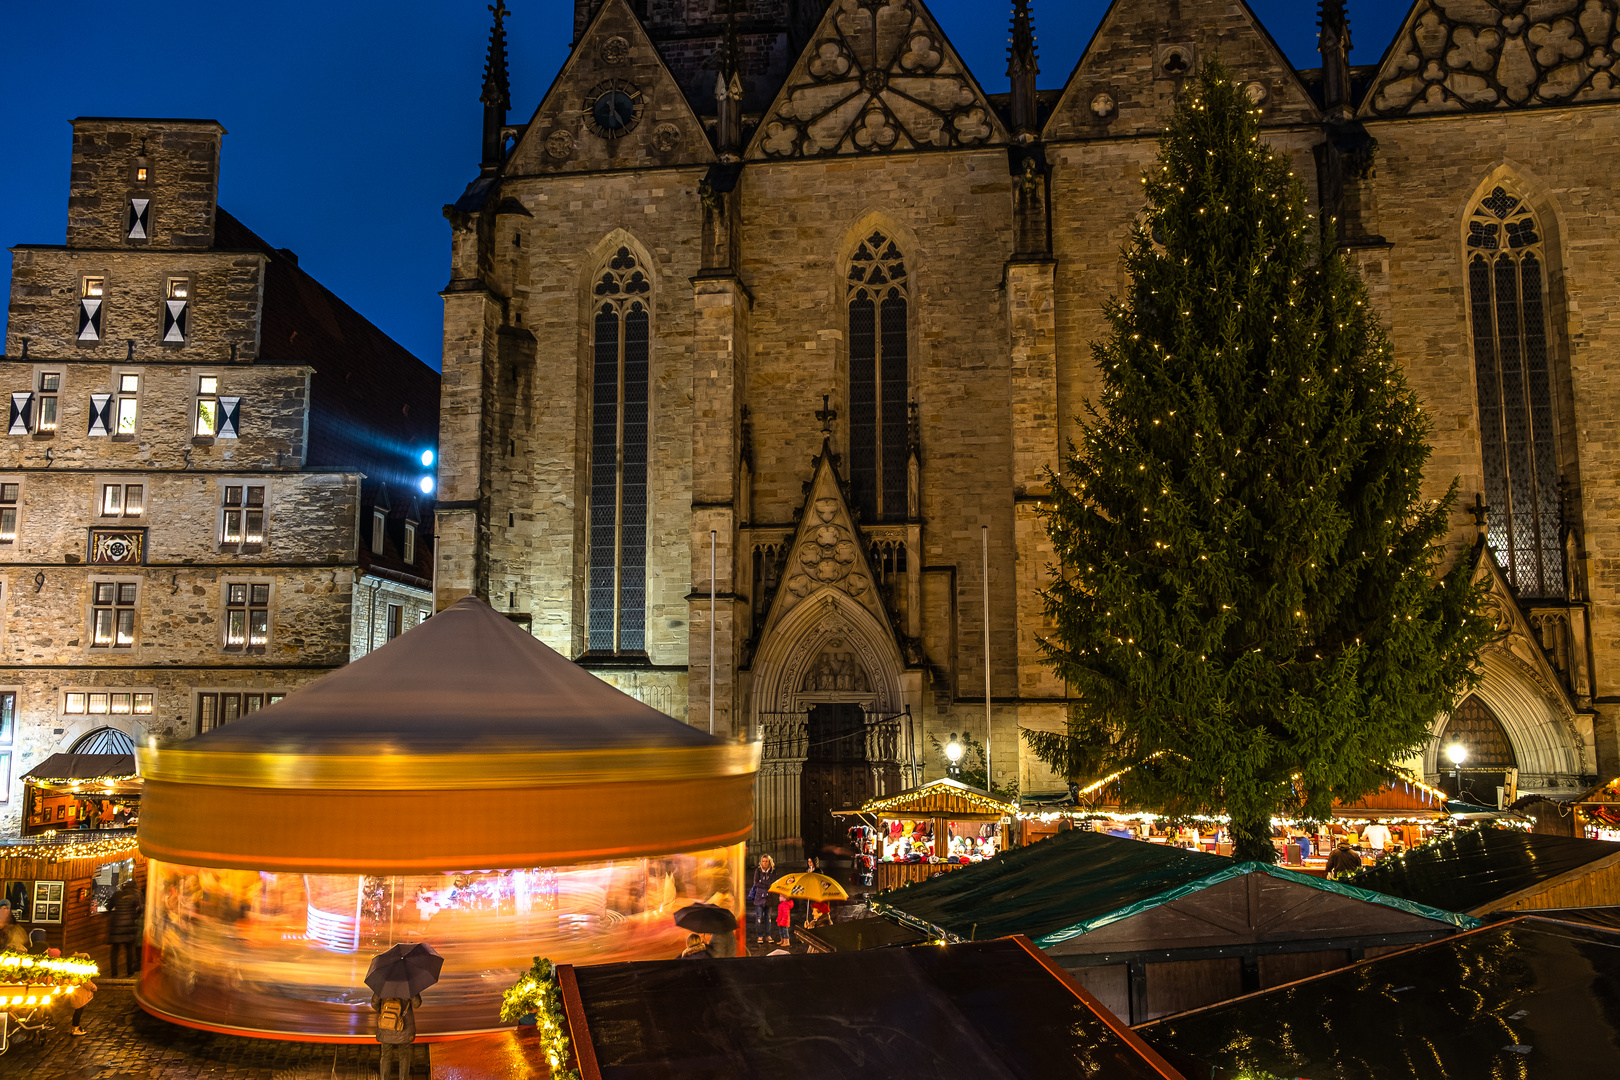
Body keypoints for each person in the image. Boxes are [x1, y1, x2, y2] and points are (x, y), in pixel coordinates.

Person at [370, 991, 422, 1080]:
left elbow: (374, 1004)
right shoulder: (408, 987)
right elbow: (416, 1004)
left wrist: (385, 1013)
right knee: (404, 1056)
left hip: (386, 1026)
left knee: (385, 1056)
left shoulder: (383, 986)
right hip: (404, 1028)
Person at [108, 878, 142, 978]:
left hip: (116, 926)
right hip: (129, 926)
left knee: (114, 951)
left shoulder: (117, 894)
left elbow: (108, 907)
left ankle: (114, 973)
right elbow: (140, 909)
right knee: (129, 950)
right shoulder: (137, 895)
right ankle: (129, 972)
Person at [65, 953, 97, 1037]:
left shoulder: (71, 970)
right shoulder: (81, 971)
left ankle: (76, 1027)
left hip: (75, 994)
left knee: (77, 1011)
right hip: (80, 995)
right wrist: (94, 987)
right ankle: (75, 1029)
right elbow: (86, 982)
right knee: (78, 1012)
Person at [747, 856, 776, 944]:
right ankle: (760, 936)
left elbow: (773, 883)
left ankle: (768, 935)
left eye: (766, 861)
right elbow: (756, 883)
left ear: (769, 862)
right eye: (763, 861)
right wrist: (766, 885)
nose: (764, 863)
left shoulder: (772, 871)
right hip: (759, 897)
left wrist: (762, 883)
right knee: (759, 917)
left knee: (768, 918)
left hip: (769, 898)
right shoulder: (758, 871)